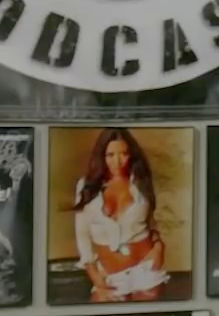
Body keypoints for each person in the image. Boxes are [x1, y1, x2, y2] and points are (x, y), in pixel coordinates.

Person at [71, 128, 169, 302]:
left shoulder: (140, 183)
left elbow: (151, 220)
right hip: (109, 275)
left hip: (146, 271)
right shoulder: (86, 186)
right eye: (110, 155)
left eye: (124, 154)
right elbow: (82, 234)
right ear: (101, 156)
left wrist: (159, 246)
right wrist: (93, 274)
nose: (117, 162)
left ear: (131, 155)